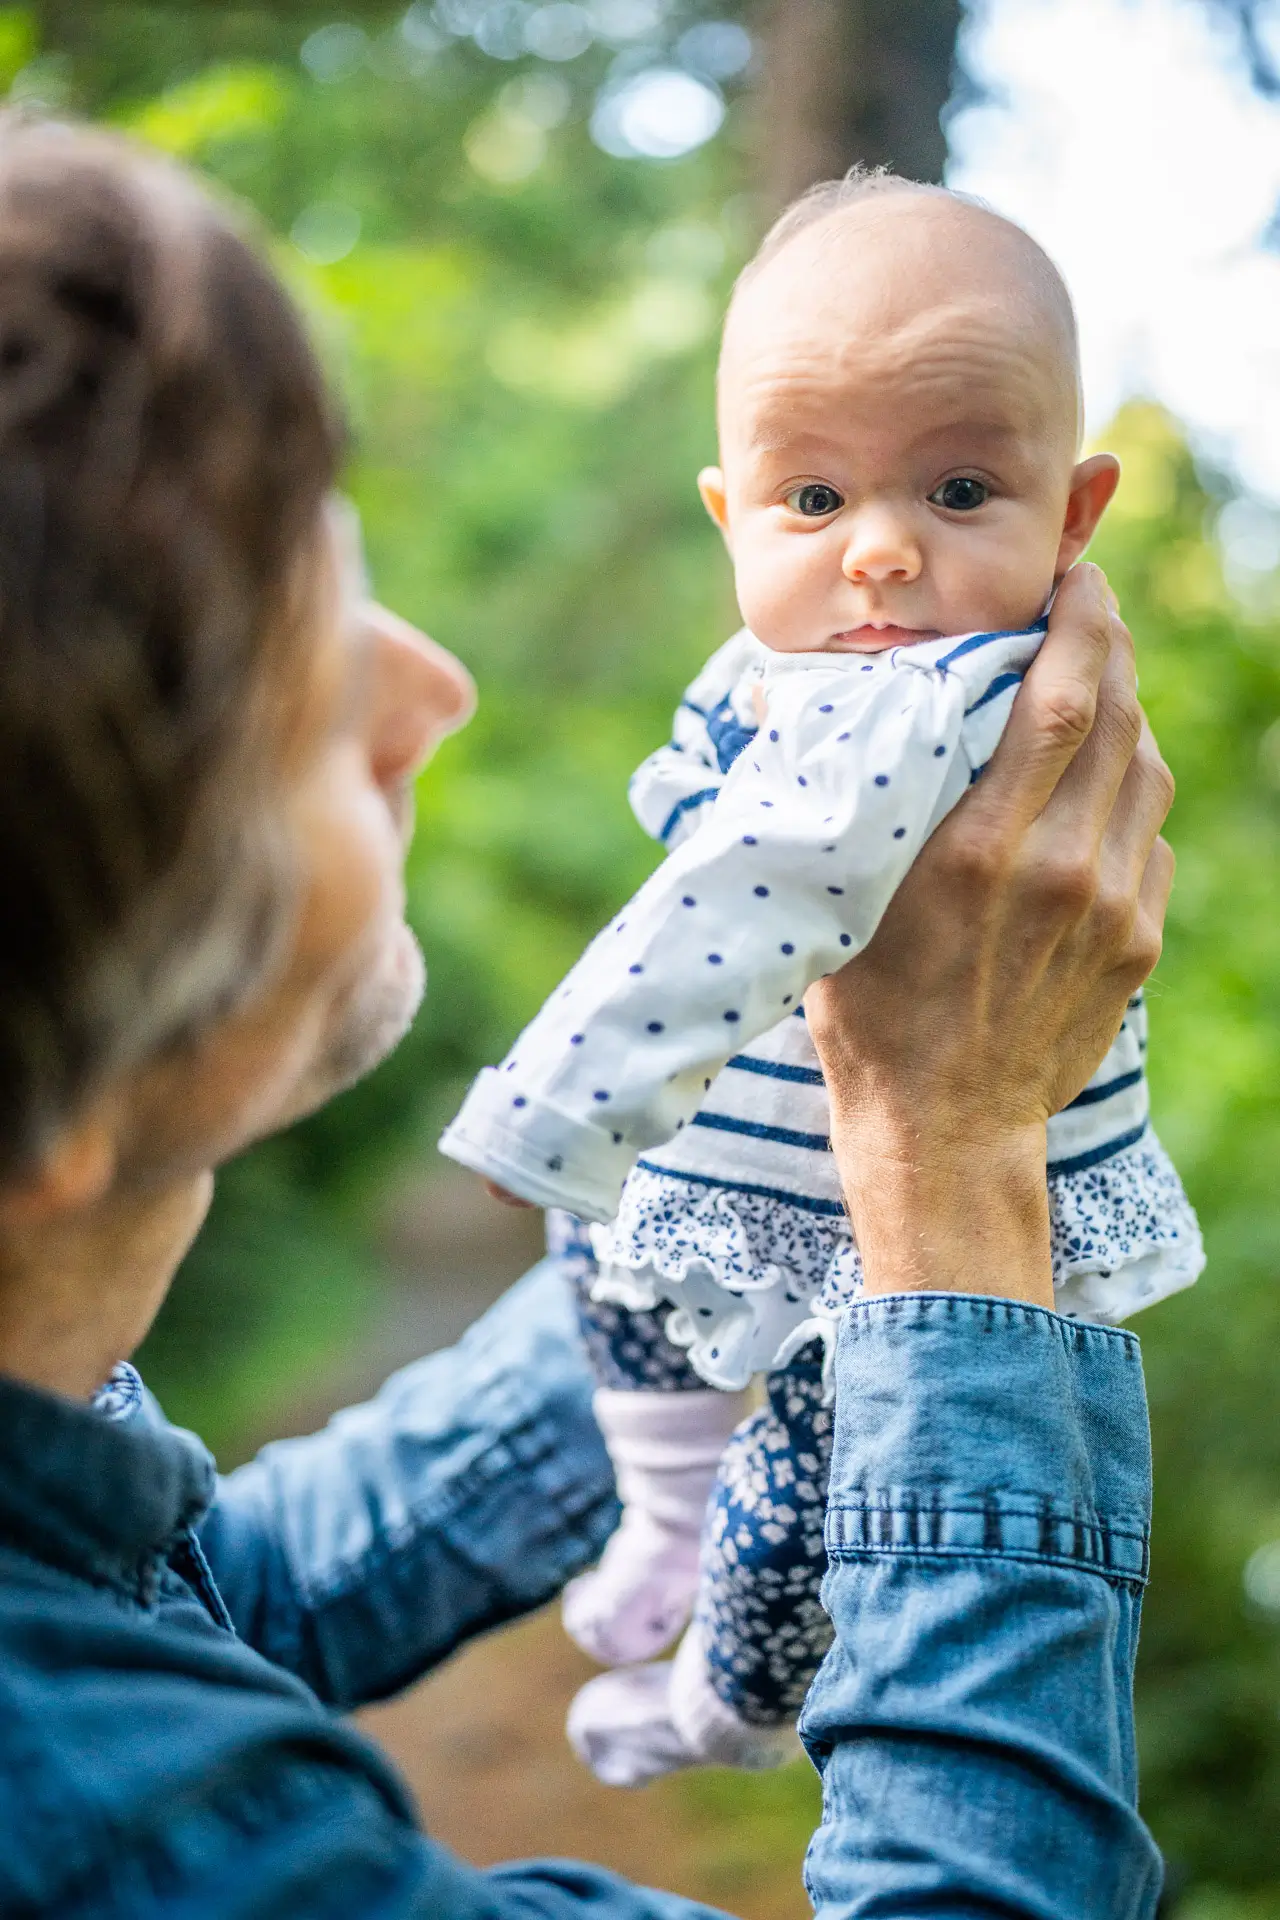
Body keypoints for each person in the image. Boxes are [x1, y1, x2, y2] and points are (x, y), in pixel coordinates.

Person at [0, 116, 1171, 1917]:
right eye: (273, 670)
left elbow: (227, 1595)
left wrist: (763, 1252)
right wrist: (954, 1174)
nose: (430, 683)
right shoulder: (97, 1831)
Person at [439, 171, 1202, 1784]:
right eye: (812, 501)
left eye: (960, 487)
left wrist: (554, 1112)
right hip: (756, 1160)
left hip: (892, 1252)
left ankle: (714, 1699)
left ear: (1072, 516)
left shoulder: (927, 702)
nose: (878, 555)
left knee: (802, 1491)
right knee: (611, 1271)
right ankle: (661, 1524)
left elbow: (749, 890)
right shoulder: (788, 678)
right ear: (729, 515)